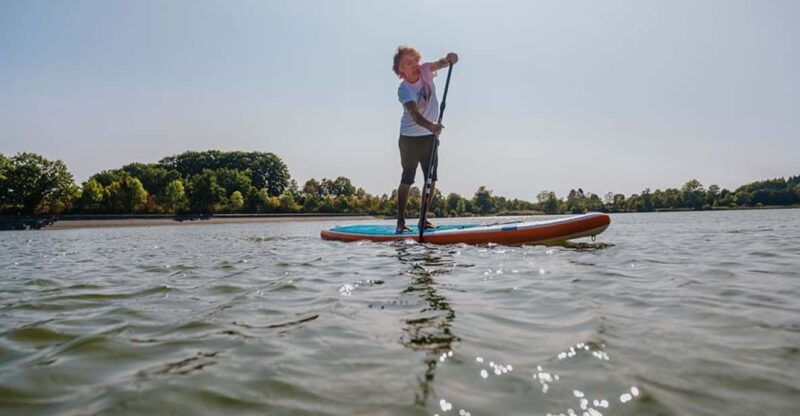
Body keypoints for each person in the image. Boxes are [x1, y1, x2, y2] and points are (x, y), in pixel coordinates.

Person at [392, 46, 459, 233]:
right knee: (407, 179)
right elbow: (414, 114)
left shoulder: (426, 70)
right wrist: (432, 126)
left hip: (430, 138)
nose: (414, 65)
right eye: (408, 63)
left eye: (415, 60)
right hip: (409, 139)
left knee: (431, 179)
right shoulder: (403, 89)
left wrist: (451, 59)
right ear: (400, 70)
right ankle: (400, 222)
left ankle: (423, 220)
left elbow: (442, 63)